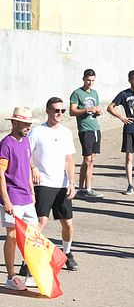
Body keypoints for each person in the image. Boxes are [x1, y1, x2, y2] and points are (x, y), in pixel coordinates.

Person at [29, 97, 78, 271]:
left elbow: (69, 160)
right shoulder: (37, 132)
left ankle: (67, 253)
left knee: (68, 223)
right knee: (40, 222)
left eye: (62, 111)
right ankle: (28, 260)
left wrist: (71, 183)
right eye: (56, 110)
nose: (59, 114)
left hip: (62, 184)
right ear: (48, 111)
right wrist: (33, 167)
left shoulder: (66, 132)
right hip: (43, 183)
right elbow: (26, 154)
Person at [1, 107, 38, 291]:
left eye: (29, 124)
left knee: (33, 236)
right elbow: (0, 174)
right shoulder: (6, 144)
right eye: (25, 124)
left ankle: (32, 272)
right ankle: (10, 277)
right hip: (12, 198)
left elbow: (27, 166)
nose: (28, 127)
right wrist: (6, 200)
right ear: (14, 123)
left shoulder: (25, 142)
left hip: (26, 197)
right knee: (13, 236)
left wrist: (32, 192)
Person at [69, 69, 104, 198]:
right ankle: (83, 188)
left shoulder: (94, 93)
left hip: (95, 128)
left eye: (93, 80)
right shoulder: (77, 93)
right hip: (85, 129)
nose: (90, 83)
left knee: (91, 160)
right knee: (87, 159)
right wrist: (87, 109)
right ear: (83, 79)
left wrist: (98, 111)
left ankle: (87, 188)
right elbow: (72, 111)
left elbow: (98, 108)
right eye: (88, 80)